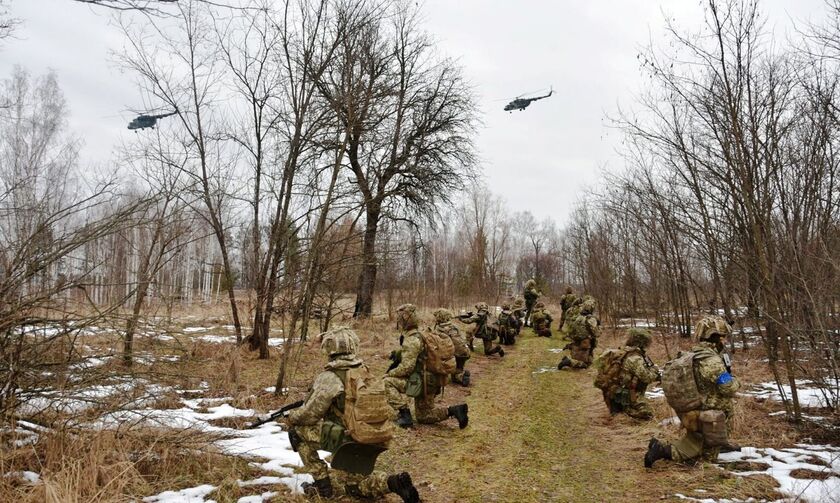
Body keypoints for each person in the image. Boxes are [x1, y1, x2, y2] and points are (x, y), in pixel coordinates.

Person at [285, 328, 420, 502]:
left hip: (350, 439)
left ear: (330, 348)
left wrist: (291, 416)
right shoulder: (363, 370)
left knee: (297, 432)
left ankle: (322, 486)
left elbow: (310, 415)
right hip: (375, 435)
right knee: (355, 487)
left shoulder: (330, 377)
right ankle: (393, 483)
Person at [644, 315, 740, 468]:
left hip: (697, 409)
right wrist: (736, 381)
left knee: (700, 441)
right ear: (716, 338)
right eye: (723, 337)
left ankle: (717, 443)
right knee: (705, 458)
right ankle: (662, 450)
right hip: (708, 412)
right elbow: (728, 387)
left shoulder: (695, 354)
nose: (725, 341)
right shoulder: (711, 360)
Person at [384, 303, 469, 429]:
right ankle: (455, 410)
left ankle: (405, 415)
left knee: (387, 382)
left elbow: (406, 368)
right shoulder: (421, 334)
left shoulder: (412, 339)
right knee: (424, 416)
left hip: (422, 381)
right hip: (432, 380)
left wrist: (389, 374)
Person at [594, 328, 659, 419]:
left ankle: (617, 411)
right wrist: (655, 370)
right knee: (648, 414)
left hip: (610, 395)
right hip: (626, 396)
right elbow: (647, 377)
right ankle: (626, 411)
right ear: (643, 342)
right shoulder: (635, 357)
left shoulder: (620, 352)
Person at [557, 296, 598, 370]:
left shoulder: (578, 318)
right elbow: (597, 334)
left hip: (577, 343)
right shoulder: (591, 319)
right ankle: (570, 362)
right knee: (586, 365)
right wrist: (599, 327)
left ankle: (570, 360)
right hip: (585, 344)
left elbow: (572, 331)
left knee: (588, 361)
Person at [433, 308, 471, 386]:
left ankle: (455, 375)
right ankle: (461, 374)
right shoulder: (454, 326)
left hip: (453, 354)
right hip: (465, 351)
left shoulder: (439, 329)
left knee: (451, 373)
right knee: (457, 370)